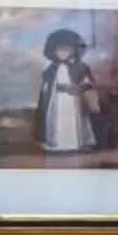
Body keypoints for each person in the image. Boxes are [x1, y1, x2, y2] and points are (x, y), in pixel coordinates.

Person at [37, 26, 101, 155]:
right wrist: (61, 88)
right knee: (58, 121)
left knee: (77, 120)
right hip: (57, 100)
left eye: (67, 50)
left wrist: (79, 88)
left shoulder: (81, 67)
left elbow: (88, 83)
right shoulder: (51, 69)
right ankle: (58, 144)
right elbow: (47, 87)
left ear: (74, 50)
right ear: (52, 51)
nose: (63, 53)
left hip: (75, 100)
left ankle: (78, 143)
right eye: (59, 50)